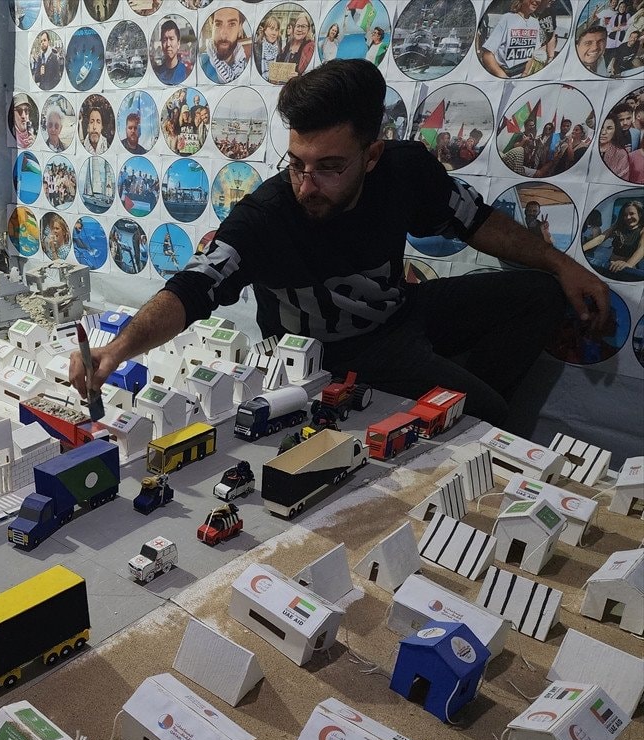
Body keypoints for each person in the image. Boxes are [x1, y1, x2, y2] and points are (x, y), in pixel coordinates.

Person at [69, 60, 609, 429]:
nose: (307, 186)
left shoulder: (405, 170)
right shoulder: (268, 214)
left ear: (371, 156)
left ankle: (450, 412)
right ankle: (466, 411)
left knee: (539, 294)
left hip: (402, 312)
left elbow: (477, 222)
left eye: (330, 167)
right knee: (489, 413)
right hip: (336, 356)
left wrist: (562, 264)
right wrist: (116, 350)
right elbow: (194, 286)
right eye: (296, 164)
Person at [480, 0, 554, 78]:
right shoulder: (507, 19)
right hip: (503, 76)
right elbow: (487, 54)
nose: (537, 1)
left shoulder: (535, 23)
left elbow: (531, 55)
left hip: (521, 77)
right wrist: (504, 77)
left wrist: (525, 74)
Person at [583, 199, 644, 277]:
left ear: (640, 214)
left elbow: (641, 249)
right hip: (610, 266)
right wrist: (582, 248)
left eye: (632, 214)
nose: (628, 217)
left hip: (627, 270)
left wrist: (628, 264)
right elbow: (600, 238)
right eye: (625, 215)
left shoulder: (642, 231)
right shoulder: (617, 226)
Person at [199, 6, 250, 83]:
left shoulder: (246, 67)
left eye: (231, 24)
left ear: (240, 29)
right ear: (212, 27)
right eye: (218, 24)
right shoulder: (201, 64)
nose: (223, 34)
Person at [277, 13, 316, 77]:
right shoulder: (289, 44)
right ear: (294, 28)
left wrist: (299, 77)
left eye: (303, 26)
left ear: (308, 29)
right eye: (298, 26)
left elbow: (311, 73)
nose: (299, 30)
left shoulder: (310, 47)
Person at [155, 19, 193, 84]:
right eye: (164, 40)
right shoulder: (156, 74)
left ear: (178, 44)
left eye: (171, 39)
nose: (168, 44)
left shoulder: (187, 73)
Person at [254, 14, 282, 81]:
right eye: (271, 29)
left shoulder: (279, 48)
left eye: (276, 30)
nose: (274, 33)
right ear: (265, 30)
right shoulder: (256, 48)